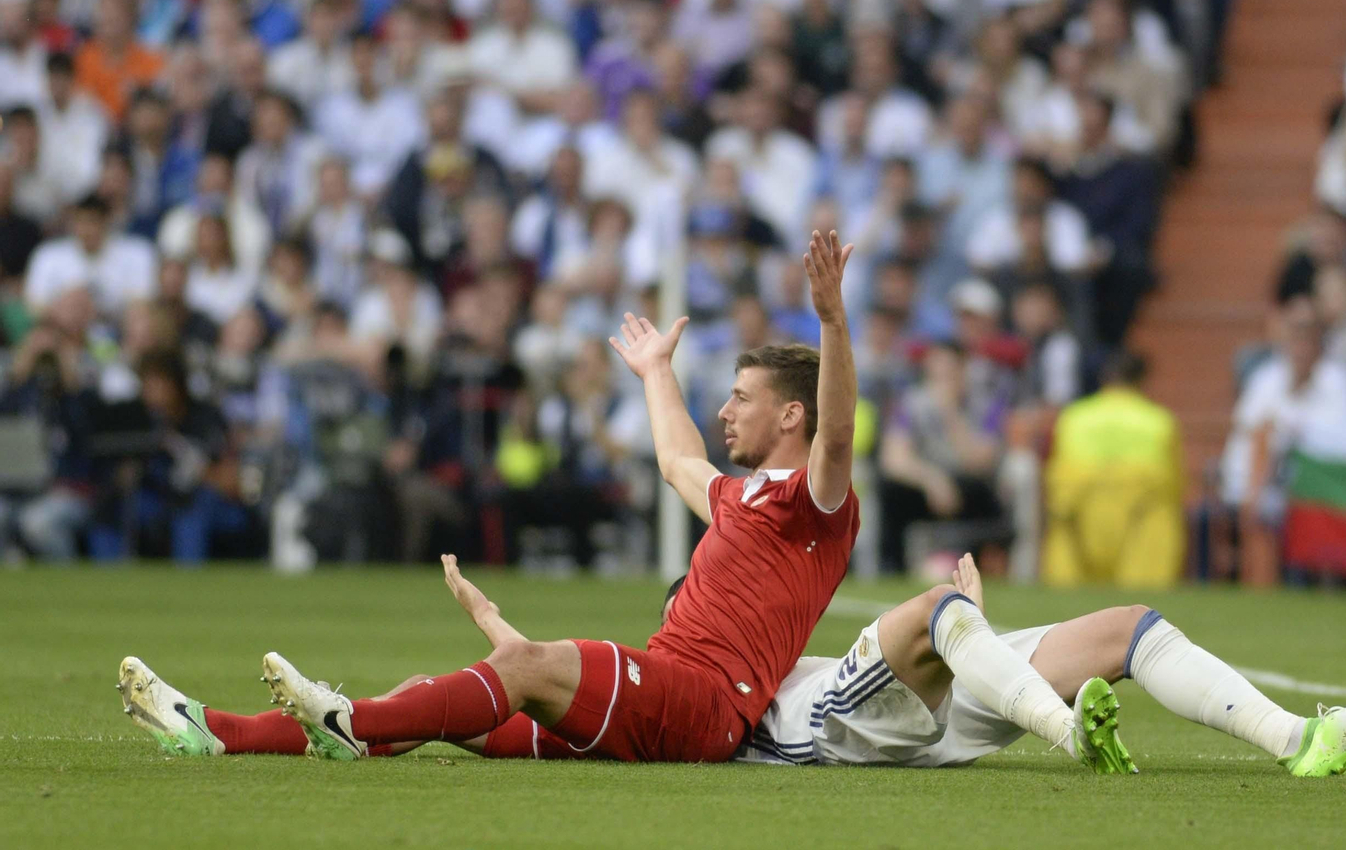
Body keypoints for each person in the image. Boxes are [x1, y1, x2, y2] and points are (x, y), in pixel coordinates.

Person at [121, 231, 865, 764]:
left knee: (528, 664)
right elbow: (677, 460)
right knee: (424, 699)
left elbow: (835, 438)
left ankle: (341, 720)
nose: (727, 411)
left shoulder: (817, 503)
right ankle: (221, 730)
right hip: (659, 689)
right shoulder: (742, 497)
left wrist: (832, 321)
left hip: (703, 706)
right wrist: (653, 373)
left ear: (791, 414)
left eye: (742, 398)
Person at [117, 553, 1346, 780]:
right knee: (479, 717)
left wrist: (962, 606)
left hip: (844, 714)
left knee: (1122, 622)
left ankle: (1297, 738)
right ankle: (225, 733)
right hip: (840, 721)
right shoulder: (727, 581)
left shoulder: (760, 548)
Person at [1042, 351, 1185, 588]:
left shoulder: (1073, 416)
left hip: (1084, 514)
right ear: (1142, 380)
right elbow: (1175, 484)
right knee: (1140, 603)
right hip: (1140, 517)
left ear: (1104, 378)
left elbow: (1056, 475)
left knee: (1069, 601)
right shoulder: (1160, 421)